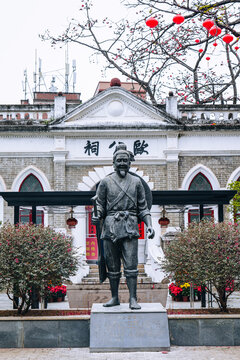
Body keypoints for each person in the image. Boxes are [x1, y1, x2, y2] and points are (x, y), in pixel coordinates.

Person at [92, 143, 155, 310]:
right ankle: (114, 297)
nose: (121, 163)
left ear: (129, 163)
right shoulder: (105, 182)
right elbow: (100, 204)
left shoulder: (136, 182)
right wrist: (97, 213)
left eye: (125, 160)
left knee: (131, 266)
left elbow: (143, 207)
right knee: (112, 266)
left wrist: (149, 225)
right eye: (118, 160)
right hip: (110, 227)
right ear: (113, 162)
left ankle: (133, 298)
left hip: (130, 227)